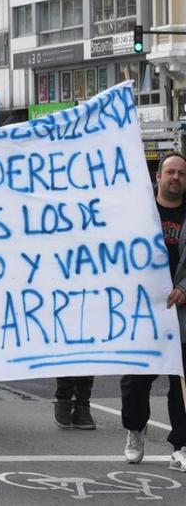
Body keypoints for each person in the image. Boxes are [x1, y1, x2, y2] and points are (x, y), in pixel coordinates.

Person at [123, 152, 186, 470]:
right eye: (170, 172)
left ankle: (182, 444)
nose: (175, 178)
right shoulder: (139, 212)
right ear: (158, 177)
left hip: (183, 312)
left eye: (181, 173)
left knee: (182, 382)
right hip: (143, 313)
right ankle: (135, 429)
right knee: (136, 380)